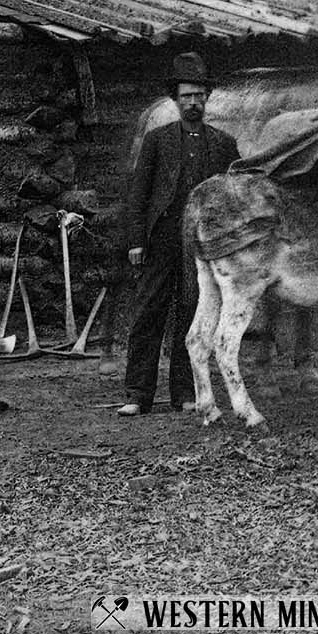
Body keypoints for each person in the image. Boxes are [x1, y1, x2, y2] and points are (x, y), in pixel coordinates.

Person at [119, 52, 241, 417]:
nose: (192, 102)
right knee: (148, 311)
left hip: (201, 244)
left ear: (207, 99)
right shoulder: (157, 140)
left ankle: (185, 393)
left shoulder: (222, 143)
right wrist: (137, 240)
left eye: (198, 96)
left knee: (193, 311)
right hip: (162, 237)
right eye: (186, 96)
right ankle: (137, 394)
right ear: (175, 99)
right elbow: (139, 194)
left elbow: (232, 195)